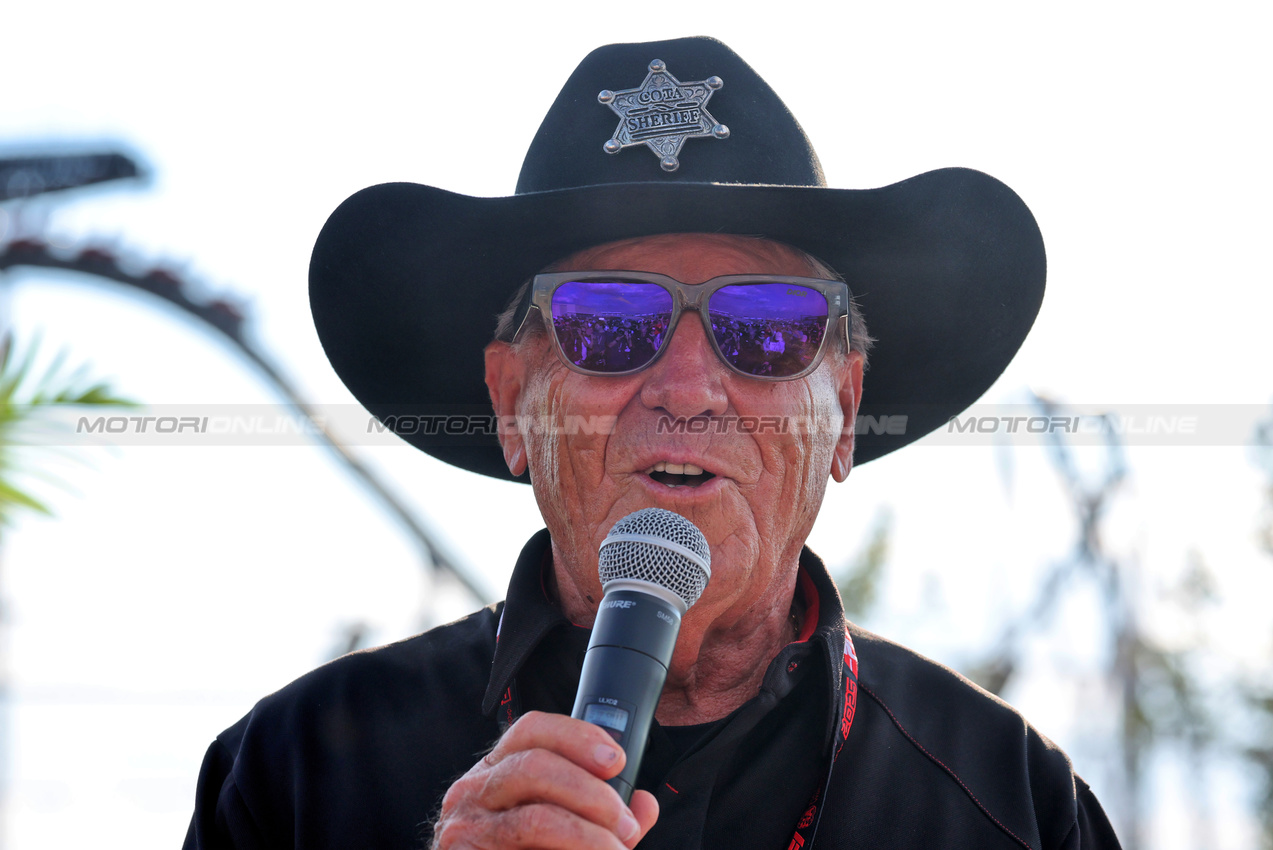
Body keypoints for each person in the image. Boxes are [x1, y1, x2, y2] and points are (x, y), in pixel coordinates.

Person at [185, 37, 1122, 849]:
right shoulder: (296, 775)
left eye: (767, 328)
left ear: (843, 408)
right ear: (512, 404)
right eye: (606, 322)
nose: (686, 389)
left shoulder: (1011, 803)